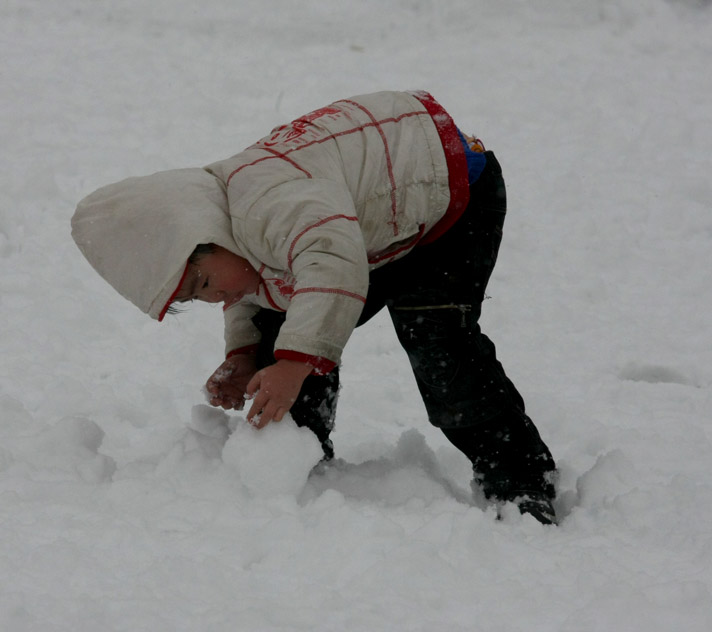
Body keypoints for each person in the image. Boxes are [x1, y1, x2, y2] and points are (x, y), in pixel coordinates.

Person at [71, 90, 558, 524]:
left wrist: (296, 362)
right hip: (372, 229)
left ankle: (520, 481)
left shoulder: (267, 202)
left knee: (437, 343)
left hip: (449, 198)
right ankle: (294, 453)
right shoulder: (233, 236)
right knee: (276, 329)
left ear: (209, 234)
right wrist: (244, 353)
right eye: (194, 298)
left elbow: (333, 265)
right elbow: (254, 289)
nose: (211, 298)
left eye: (201, 282)